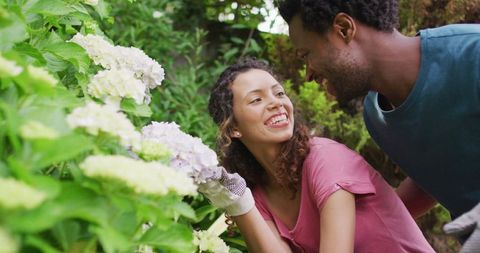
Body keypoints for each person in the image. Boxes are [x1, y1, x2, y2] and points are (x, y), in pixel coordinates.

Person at [277, 0, 480, 251]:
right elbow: (435, 172)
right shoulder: (377, 116)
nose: (307, 73)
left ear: (343, 28)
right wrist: (341, 227)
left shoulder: (472, 53)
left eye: (306, 54)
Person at [200, 58, 434, 252]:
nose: (276, 103)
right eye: (257, 99)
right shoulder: (258, 192)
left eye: (279, 93)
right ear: (233, 128)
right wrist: (238, 202)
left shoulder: (326, 160)